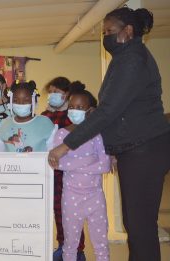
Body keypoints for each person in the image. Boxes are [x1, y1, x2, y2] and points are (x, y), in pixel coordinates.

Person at [48, 7, 170, 261]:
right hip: (136, 148)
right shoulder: (126, 57)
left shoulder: (133, 59)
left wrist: (65, 146)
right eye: (104, 32)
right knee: (137, 224)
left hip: (144, 149)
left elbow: (108, 111)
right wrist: (113, 149)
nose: (106, 37)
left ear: (128, 31)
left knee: (140, 226)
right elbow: (118, 112)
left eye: (110, 31)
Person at [53, 83, 111, 261]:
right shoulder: (61, 135)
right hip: (71, 198)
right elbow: (57, 163)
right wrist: (88, 161)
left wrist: (73, 162)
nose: (74, 110)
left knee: (101, 244)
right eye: (71, 107)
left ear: (90, 111)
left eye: (80, 107)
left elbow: (105, 165)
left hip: (95, 197)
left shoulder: (97, 135)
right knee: (70, 245)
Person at [42, 78, 86, 261]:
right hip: (51, 172)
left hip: (70, 172)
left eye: (56, 91)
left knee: (71, 213)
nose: (52, 95)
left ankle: (78, 250)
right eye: (50, 91)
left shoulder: (73, 116)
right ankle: (62, 246)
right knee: (57, 212)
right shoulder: (45, 116)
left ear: (66, 94)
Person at [0, 80, 55, 152]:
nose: (21, 104)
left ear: (33, 101)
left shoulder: (45, 123)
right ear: (10, 102)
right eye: (16, 100)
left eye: (26, 100)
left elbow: (52, 153)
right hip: (11, 163)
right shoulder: (4, 125)